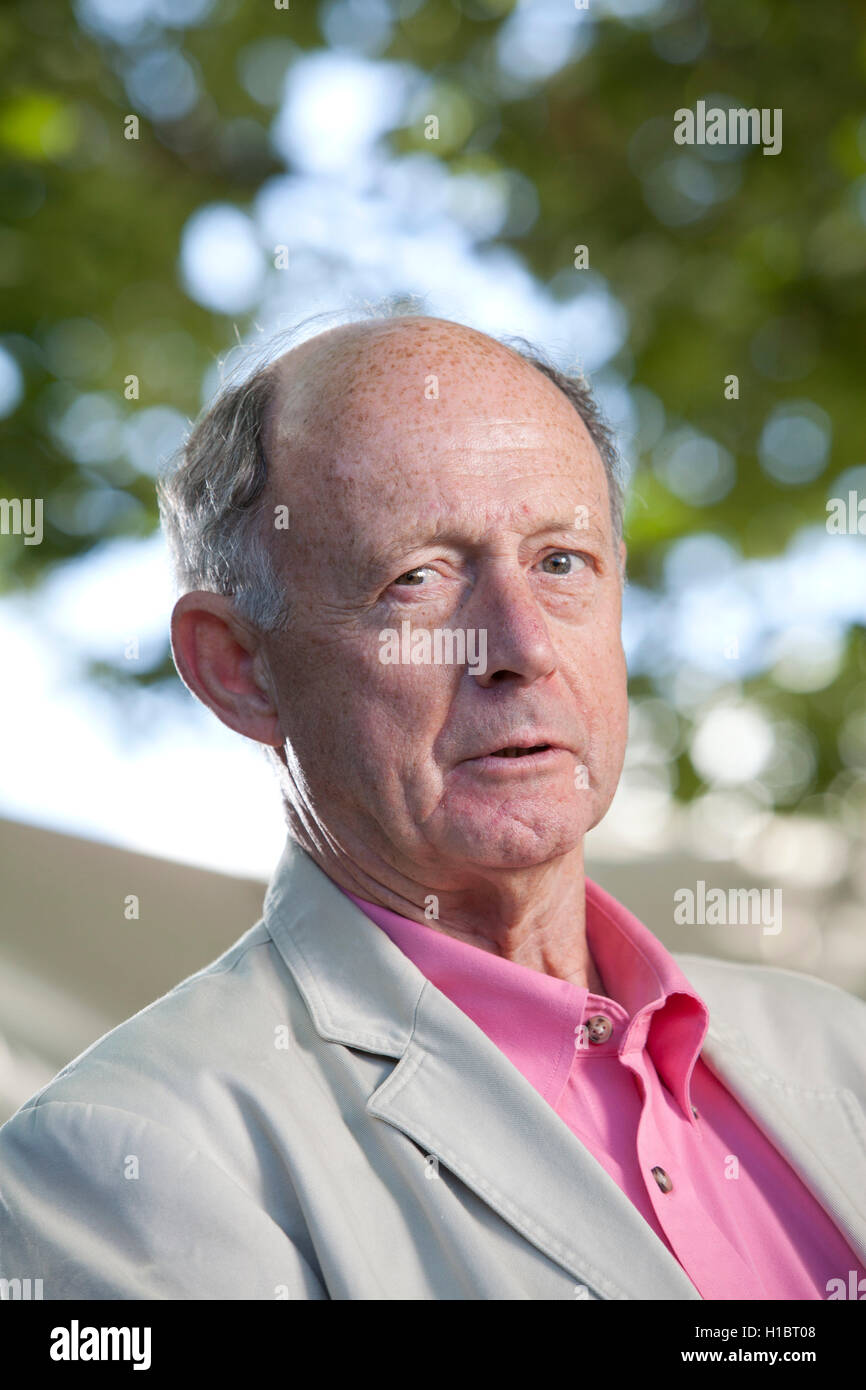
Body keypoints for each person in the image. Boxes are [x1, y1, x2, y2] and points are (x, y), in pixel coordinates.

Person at [1, 313, 864, 1300]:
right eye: (416, 578)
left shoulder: (835, 1046)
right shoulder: (118, 1163)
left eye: (557, 562)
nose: (520, 646)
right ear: (238, 669)